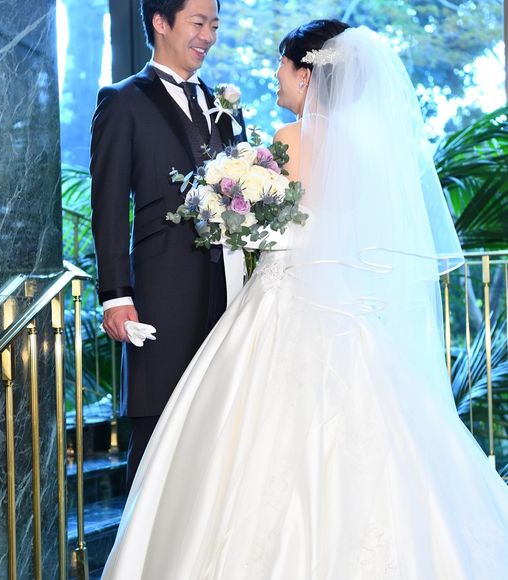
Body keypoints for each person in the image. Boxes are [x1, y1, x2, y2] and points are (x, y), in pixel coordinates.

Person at [101, 20, 508, 579]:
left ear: (306, 74)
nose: (275, 73)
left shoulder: (291, 138)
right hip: (343, 312)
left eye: (282, 63)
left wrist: (225, 212)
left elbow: (268, 226)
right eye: (203, 22)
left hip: (279, 303)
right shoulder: (361, 147)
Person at [90, 0, 244, 488]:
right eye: (198, 23)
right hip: (160, 297)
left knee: (222, 435)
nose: (208, 36)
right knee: (157, 435)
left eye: (214, 25)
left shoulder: (225, 106)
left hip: (232, 295)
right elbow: (109, 205)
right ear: (160, 22)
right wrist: (116, 296)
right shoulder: (122, 101)